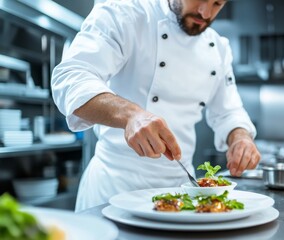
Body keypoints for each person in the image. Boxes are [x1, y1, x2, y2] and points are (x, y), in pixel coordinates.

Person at [51, 0, 261, 212]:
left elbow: (229, 112)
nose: (205, 13)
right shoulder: (125, 12)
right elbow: (71, 77)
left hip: (182, 189)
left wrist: (240, 137)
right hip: (115, 187)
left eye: (217, 4)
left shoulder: (219, 48)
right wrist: (130, 115)